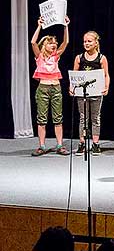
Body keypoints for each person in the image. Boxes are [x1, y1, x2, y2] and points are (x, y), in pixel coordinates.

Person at [30, 16, 71, 156]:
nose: (54, 45)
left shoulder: (56, 56)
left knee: (58, 118)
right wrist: (39, 26)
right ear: (44, 45)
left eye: (55, 42)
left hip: (56, 88)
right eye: (50, 43)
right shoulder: (39, 56)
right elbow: (33, 42)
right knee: (41, 118)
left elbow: (66, 42)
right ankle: (41, 146)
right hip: (43, 89)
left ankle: (59, 145)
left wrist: (66, 26)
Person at [71, 31, 110, 156]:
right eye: (85, 41)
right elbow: (74, 75)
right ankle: (82, 143)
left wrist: (106, 87)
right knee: (83, 118)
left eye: (89, 41)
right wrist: (72, 87)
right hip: (82, 94)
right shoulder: (79, 58)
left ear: (96, 43)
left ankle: (95, 143)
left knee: (95, 118)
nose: (86, 43)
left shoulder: (101, 58)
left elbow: (106, 75)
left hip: (96, 92)